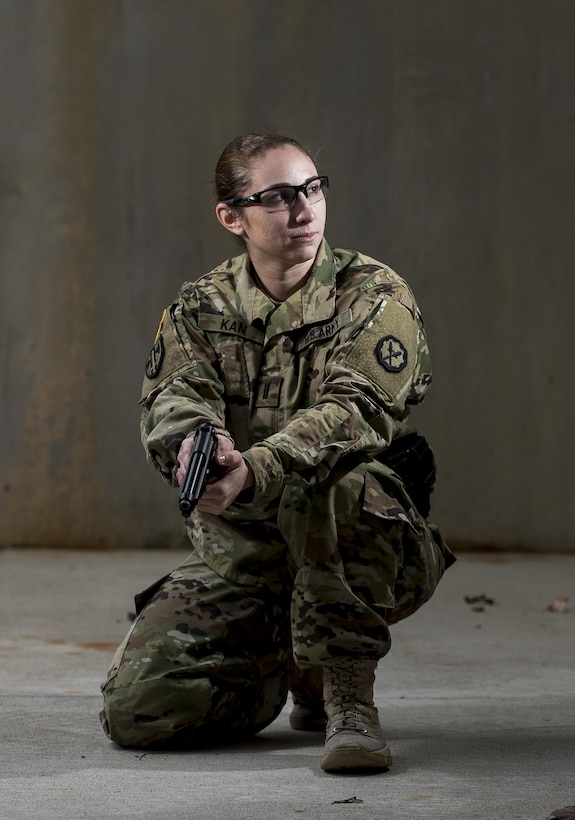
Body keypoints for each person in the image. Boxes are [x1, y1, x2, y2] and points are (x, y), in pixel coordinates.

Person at [100, 132, 455, 773]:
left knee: (334, 484)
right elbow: (176, 396)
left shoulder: (372, 294)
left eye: (314, 189)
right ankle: (287, 660)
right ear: (232, 217)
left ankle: (346, 692)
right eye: (280, 197)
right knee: (139, 713)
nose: (305, 209)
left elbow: (356, 409)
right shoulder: (200, 307)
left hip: (361, 539)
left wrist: (254, 469)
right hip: (246, 550)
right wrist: (193, 455)